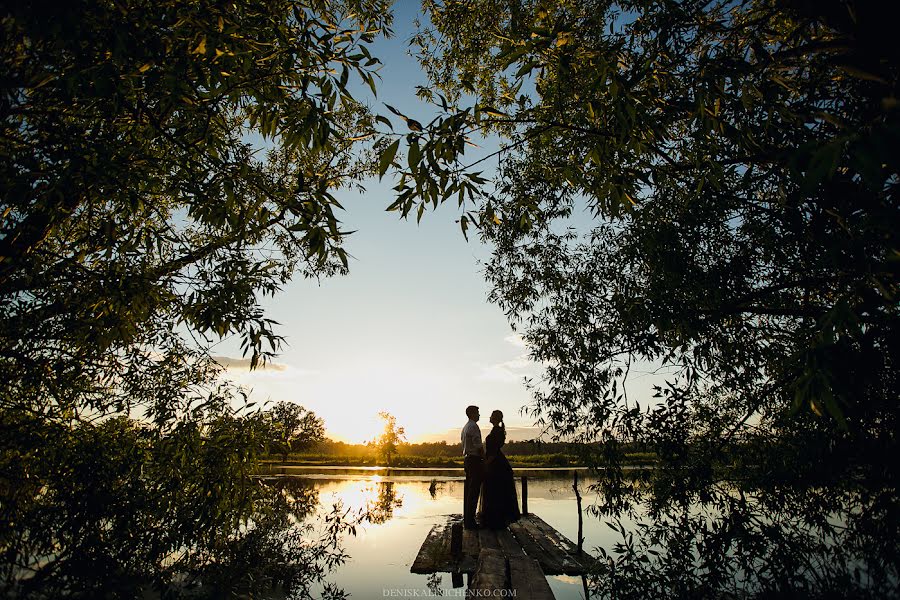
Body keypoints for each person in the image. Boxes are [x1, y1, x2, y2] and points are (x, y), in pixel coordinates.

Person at [480, 410, 520, 529]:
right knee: (496, 492)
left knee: (496, 492)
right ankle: (495, 519)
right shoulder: (497, 430)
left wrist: (486, 463)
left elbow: (493, 451)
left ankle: (496, 520)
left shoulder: (497, 432)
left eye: (491, 416)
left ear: (495, 418)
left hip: (496, 465)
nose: (489, 417)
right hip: (497, 463)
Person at [461, 405, 484, 529]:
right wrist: (484, 458)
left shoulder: (465, 427)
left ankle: (468, 519)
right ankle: (470, 521)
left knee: (471, 490)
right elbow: (478, 445)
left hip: (468, 460)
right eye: (478, 413)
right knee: (474, 491)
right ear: (472, 414)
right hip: (474, 460)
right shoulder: (473, 426)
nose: (479, 415)